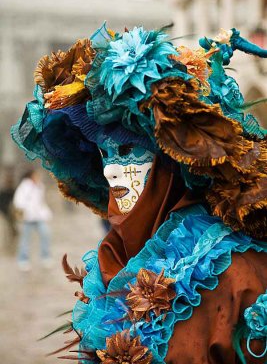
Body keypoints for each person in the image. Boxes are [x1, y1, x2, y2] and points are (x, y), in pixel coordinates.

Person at [11, 24, 267, 362]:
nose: (110, 169)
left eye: (128, 149)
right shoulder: (112, 259)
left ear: (171, 162)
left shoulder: (235, 271)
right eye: (104, 154)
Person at [13, 169, 52, 270]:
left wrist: (46, 213)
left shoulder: (40, 186)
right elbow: (18, 200)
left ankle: (46, 257)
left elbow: (41, 202)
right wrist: (25, 211)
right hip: (27, 218)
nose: (38, 177)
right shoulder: (24, 186)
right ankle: (23, 259)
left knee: (45, 234)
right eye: (36, 175)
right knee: (25, 239)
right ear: (31, 176)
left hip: (39, 217)